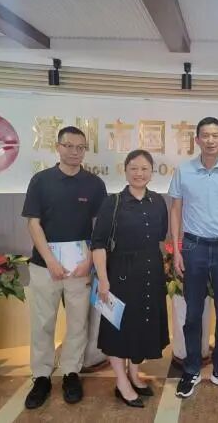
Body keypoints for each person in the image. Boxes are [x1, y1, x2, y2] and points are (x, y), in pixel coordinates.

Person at [22, 126, 107, 409]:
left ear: (85, 151)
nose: (74, 152)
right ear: (58, 147)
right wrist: (50, 260)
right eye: (68, 146)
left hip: (80, 268)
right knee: (42, 323)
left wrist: (89, 261)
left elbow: (100, 228)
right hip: (44, 266)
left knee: (77, 323)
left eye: (80, 147)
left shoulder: (94, 184)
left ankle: (71, 372)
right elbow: (33, 223)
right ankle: (41, 376)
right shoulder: (41, 181)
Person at [168, 117, 218, 398]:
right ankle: (191, 370)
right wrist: (177, 249)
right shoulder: (184, 170)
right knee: (192, 313)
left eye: (216, 135)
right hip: (194, 247)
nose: (211, 140)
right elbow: (176, 210)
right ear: (197, 140)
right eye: (205, 135)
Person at [91, 149, 169, 408]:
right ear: (125, 171)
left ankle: (135, 374)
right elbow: (99, 244)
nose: (139, 173)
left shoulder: (158, 201)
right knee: (118, 329)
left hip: (150, 272)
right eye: (134, 168)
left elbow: (160, 237)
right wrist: (103, 280)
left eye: (144, 168)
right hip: (119, 275)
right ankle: (122, 382)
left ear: (152, 172)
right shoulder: (113, 202)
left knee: (141, 325)